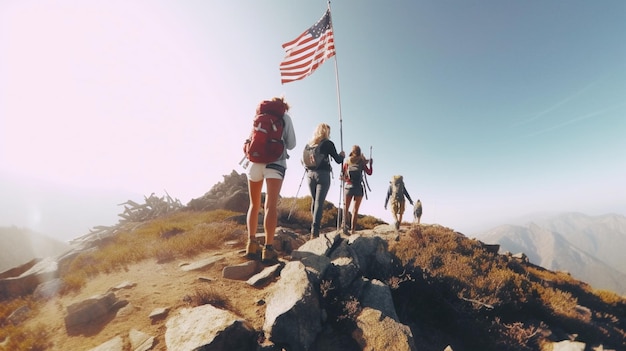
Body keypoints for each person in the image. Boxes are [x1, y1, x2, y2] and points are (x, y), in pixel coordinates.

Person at [245, 97, 296, 262]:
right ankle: (268, 248)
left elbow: (251, 140)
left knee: (254, 204)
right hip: (276, 162)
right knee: (270, 206)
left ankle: (251, 244)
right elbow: (292, 144)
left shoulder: (258, 116)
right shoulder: (284, 118)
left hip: (255, 163)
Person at [306, 123, 345, 239]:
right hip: (323, 175)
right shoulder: (328, 143)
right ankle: (315, 231)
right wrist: (342, 155)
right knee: (319, 202)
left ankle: (313, 228)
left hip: (310, 175)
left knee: (314, 201)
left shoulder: (310, 144)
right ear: (326, 132)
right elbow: (338, 160)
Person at [342, 145, 373, 235]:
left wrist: (344, 178)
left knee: (346, 208)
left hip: (348, 187)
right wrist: (370, 164)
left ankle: (343, 225)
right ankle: (353, 230)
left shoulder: (347, 162)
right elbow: (369, 173)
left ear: (352, 152)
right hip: (358, 188)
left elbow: (343, 176)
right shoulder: (362, 162)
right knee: (355, 210)